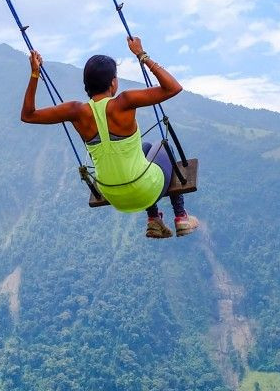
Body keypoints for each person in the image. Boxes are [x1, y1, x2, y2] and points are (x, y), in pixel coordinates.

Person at [21, 36, 199, 239]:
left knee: (146, 147)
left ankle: (153, 219)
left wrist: (35, 74)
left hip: (113, 196)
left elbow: (28, 115)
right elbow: (173, 87)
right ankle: (181, 216)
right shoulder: (124, 102)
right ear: (113, 82)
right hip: (145, 190)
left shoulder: (75, 111)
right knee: (162, 145)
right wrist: (141, 54)